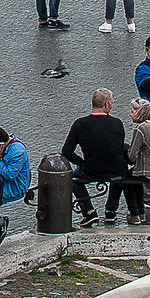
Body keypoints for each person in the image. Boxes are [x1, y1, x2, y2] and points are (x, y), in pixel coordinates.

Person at [61, 87, 132, 223]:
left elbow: (67, 152)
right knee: (119, 171)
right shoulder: (117, 123)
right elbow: (118, 149)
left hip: (91, 169)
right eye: (111, 104)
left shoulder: (80, 124)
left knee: (71, 178)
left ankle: (88, 210)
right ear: (106, 105)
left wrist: (82, 163)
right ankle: (110, 210)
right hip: (115, 170)